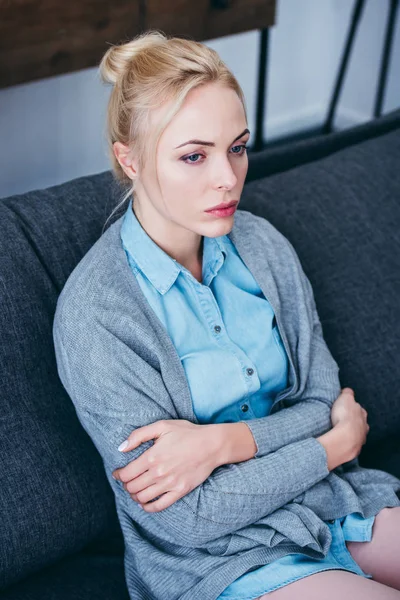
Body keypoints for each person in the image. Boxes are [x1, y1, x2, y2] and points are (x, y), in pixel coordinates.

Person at [52, 30, 400, 600]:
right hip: (218, 561)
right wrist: (333, 446)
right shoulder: (96, 317)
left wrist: (220, 445)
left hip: (333, 504)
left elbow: (322, 398)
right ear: (129, 159)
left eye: (237, 147)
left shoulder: (262, 245)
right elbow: (189, 517)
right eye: (194, 155)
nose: (229, 178)